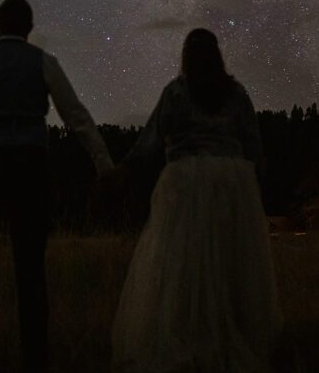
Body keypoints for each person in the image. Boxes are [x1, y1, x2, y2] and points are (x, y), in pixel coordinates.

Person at [0, 0, 115, 372]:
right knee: (30, 266)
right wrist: (103, 162)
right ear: (30, 28)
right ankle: (35, 357)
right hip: (29, 167)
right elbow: (76, 115)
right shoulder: (44, 64)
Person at [111, 28, 283, 373]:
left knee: (182, 265)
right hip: (233, 184)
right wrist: (258, 186)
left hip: (185, 184)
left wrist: (120, 171)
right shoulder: (235, 93)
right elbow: (253, 143)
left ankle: (191, 334)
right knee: (229, 265)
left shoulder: (176, 92)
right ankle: (230, 336)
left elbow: (149, 142)